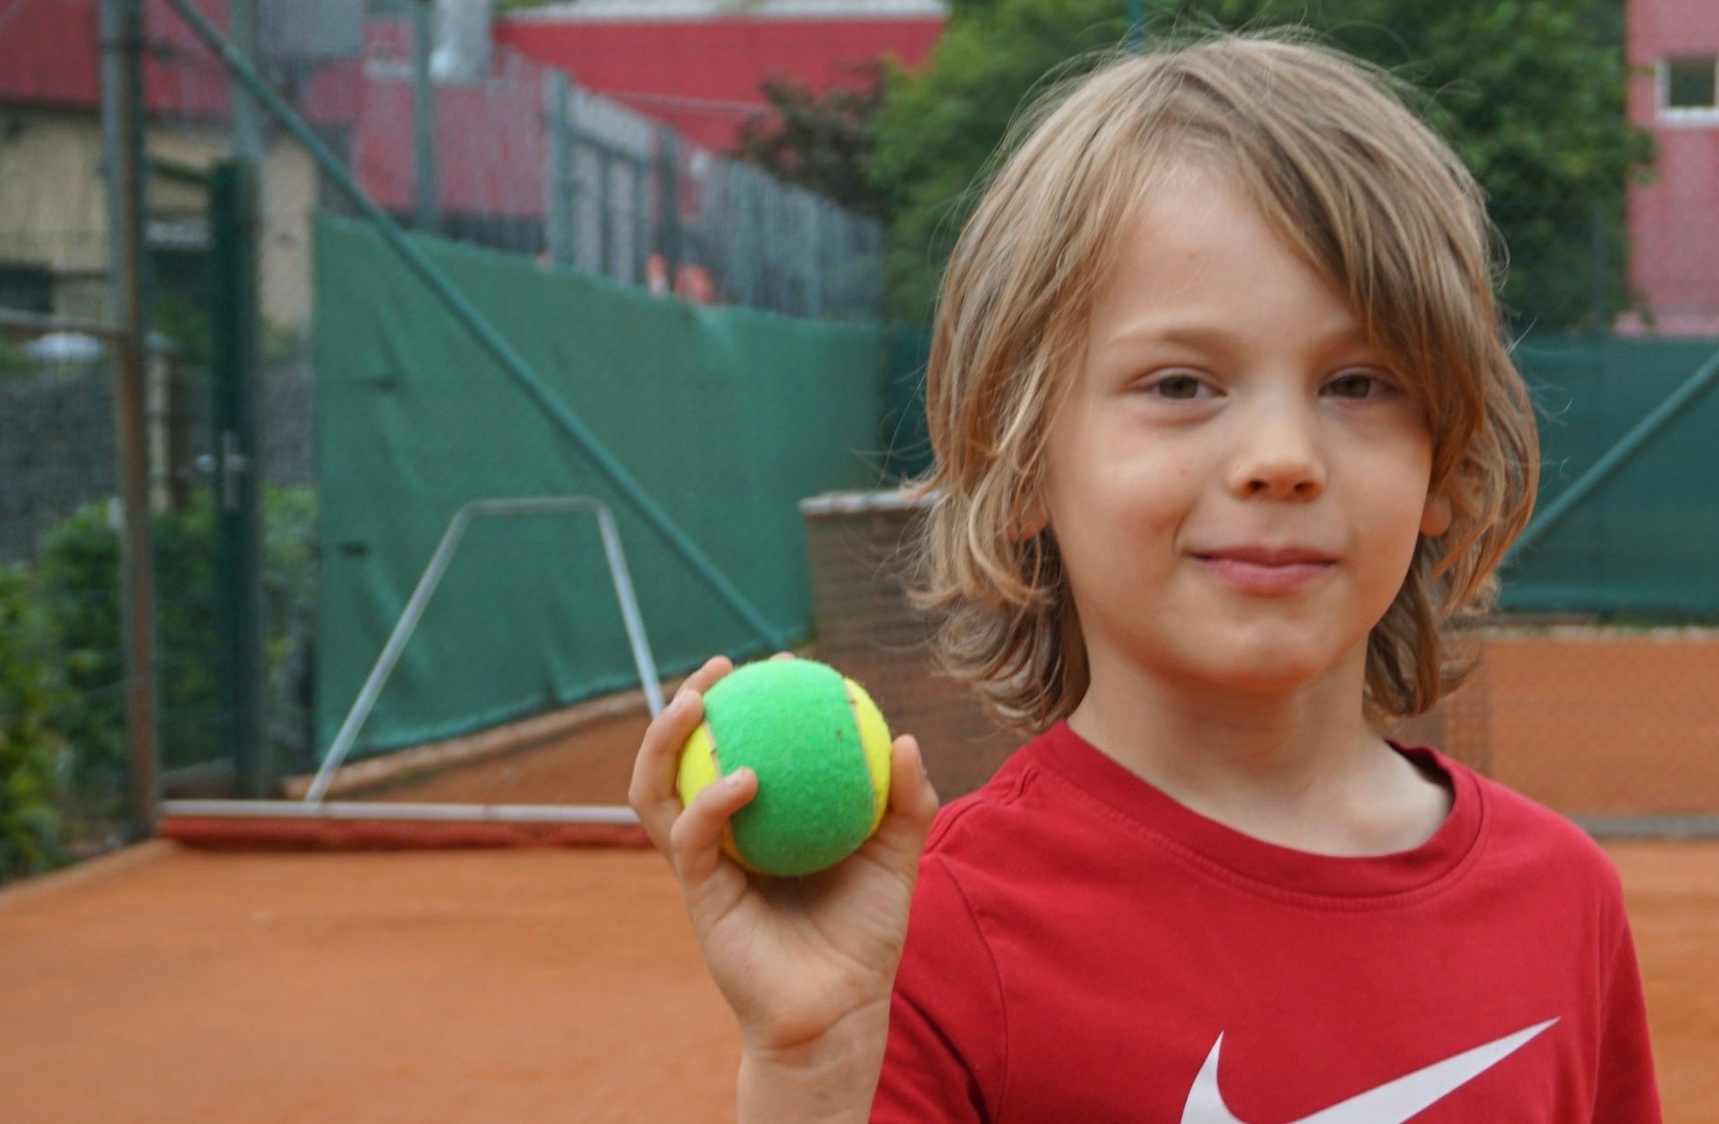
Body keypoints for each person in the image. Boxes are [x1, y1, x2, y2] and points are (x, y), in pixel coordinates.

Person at [630, 31, 1662, 1123]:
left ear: (1442, 463)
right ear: (1021, 459)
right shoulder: (927, 932)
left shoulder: (1563, 900)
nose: (1282, 457)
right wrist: (809, 1071)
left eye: (1357, 382)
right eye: (1180, 383)